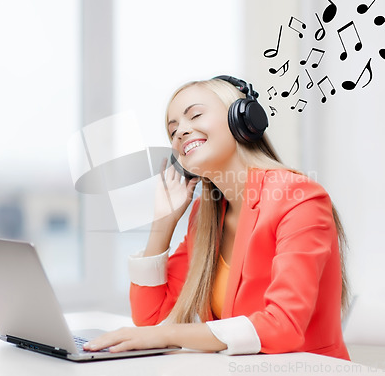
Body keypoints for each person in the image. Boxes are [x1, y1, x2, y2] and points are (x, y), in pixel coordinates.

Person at [84, 75, 350, 360]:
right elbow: (150, 317)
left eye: (195, 115)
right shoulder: (205, 217)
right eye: (172, 131)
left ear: (242, 119)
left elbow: (283, 325)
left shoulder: (298, 196)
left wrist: (165, 335)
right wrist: (163, 224)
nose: (181, 133)